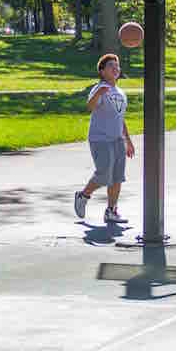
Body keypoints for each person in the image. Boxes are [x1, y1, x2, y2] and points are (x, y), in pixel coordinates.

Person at [74, 54, 135, 224]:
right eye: (110, 66)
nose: (115, 68)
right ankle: (83, 195)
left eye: (117, 65)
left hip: (117, 140)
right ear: (102, 71)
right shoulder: (99, 88)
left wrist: (127, 140)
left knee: (117, 177)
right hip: (100, 139)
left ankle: (111, 211)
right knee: (104, 174)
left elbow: (120, 118)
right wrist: (99, 93)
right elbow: (90, 107)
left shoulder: (121, 93)